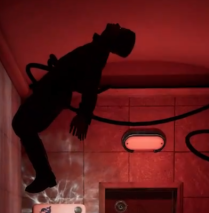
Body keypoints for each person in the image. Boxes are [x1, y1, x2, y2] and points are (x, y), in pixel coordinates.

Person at [12, 23, 136, 193]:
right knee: (23, 125)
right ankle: (44, 174)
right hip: (54, 92)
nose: (115, 25)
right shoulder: (96, 50)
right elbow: (80, 76)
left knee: (22, 124)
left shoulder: (97, 54)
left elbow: (90, 88)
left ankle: (45, 175)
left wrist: (84, 115)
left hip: (53, 93)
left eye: (119, 29)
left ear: (114, 39)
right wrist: (60, 67)